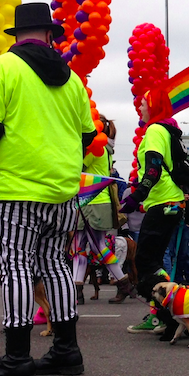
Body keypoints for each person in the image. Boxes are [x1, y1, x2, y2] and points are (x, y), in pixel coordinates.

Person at [0, 3, 96, 376]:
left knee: (16, 266)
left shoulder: (2, 68)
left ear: (17, 35)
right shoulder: (72, 81)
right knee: (56, 265)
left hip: (17, 190)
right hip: (63, 192)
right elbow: (88, 137)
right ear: (50, 35)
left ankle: (17, 357)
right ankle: (67, 350)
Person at [124, 90, 188, 336]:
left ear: (152, 106)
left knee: (145, 262)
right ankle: (161, 313)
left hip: (163, 202)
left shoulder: (154, 130)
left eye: (143, 103)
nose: (140, 107)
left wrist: (136, 196)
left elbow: (154, 169)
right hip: (171, 202)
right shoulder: (167, 129)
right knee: (154, 262)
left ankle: (166, 313)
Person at [72, 115, 136, 306]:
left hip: (93, 202)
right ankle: (77, 290)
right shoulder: (105, 149)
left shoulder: (96, 149)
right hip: (91, 202)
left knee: (97, 246)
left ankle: (123, 283)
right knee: (80, 246)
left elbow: (77, 166)